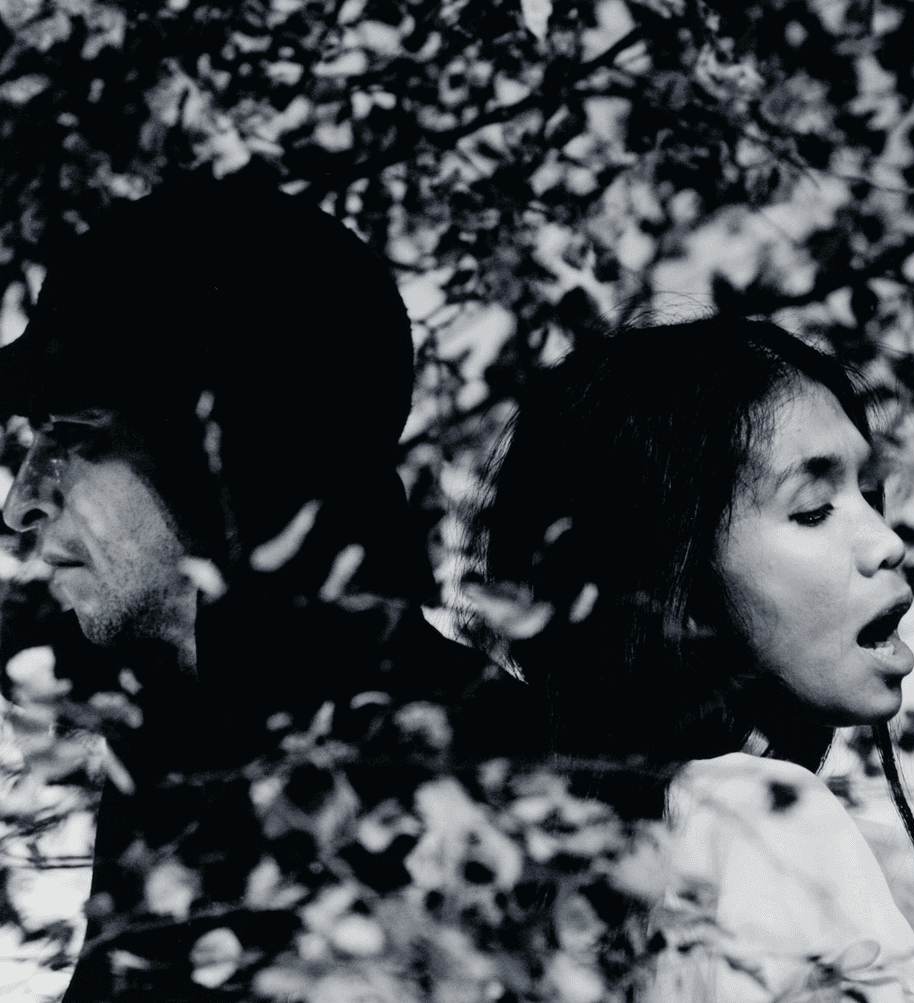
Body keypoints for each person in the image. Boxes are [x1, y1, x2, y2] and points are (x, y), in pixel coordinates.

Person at [0, 173, 540, 1001]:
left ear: (228, 448)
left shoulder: (487, 792)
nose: (21, 503)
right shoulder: (181, 754)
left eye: (73, 432)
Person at [469, 317, 914, 1002]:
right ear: (676, 584)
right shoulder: (759, 818)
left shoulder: (557, 872)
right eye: (814, 508)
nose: (887, 541)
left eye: (870, 494)